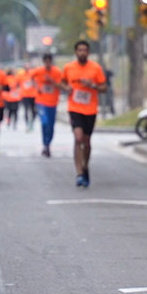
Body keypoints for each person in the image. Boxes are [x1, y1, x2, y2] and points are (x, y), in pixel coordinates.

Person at [61, 40, 107, 187]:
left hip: (90, 109)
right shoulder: (69, 68)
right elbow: (62, 82)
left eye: (85, 50)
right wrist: (66, 88)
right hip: (74, 108)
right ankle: (79, 173)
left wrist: (92, 85)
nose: (82, 52)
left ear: (88, 52)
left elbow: (104, 87)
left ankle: (85, 166)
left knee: (86, 142)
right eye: (79, 50)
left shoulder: (95, 68)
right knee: (78, 137)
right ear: (76, 52)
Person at [33, 53, 62, 157]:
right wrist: (37, 87)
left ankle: (48, 145)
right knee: (44, 123)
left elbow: (60, 85)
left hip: (52, 102)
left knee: (51, 125)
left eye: (49, 61)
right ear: (44, 62)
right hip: (41, 101)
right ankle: (45, 144)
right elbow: (31, 78)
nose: (48, 64)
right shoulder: (39, 71)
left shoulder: (57, 72)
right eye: (46, 62)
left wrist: (51, 81)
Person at [18, 64, 37, 131]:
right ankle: (27, 124)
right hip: (25, 95)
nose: (27, 69)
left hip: (33, 95)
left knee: (33, 110)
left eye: (28, 67)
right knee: (26, 109)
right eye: (26, 67)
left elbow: (37, 82)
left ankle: (32, 122)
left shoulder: (33, 74)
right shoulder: (21, 75)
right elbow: (17, 83)